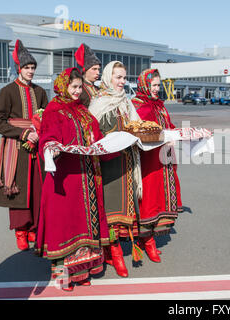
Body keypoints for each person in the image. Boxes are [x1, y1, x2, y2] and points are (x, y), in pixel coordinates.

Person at [35, 67, 110, 291]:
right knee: (65, 227)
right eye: (74, 87)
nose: (78, 91)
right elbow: (48, 136)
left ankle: (82, 271)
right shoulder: (54, 110)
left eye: (79, 87)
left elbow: (96, 136)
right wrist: (51, 147)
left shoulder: (83, 111)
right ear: (62, 86)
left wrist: (111, 142)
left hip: (86, 177)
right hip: (65, 179)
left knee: (85, 224)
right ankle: (63, 275)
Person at [89, 61, 143, 277]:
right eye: (118, 77)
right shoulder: (98, 102)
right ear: (108, 77)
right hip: (108, 164)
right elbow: (92, 135)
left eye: (124, 78)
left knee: (126, 207)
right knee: (110, 209)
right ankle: (114, 251)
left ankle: (114, 249)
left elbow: (137, 126)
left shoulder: (127, 102)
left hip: (127, 162)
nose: (122, 82)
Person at [0, 39, 48, 251]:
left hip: (37, 148)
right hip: (16, 149)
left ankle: (34, 228)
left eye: (33, 67)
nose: (30, 71)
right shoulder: (7, 91)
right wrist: (24, 133)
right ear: (19, 68)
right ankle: (20, 231)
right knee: (19, 190)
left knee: (38, 189)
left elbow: (47, 116)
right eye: (27, 67)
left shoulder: (40, 91)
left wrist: (41, 132)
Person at [131, 69, 182, 263]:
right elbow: (137, 130)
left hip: (164, 157)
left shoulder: (159, 105)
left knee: (162, 197)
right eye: (153, 85)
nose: (156, 89)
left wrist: (180, 134)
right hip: (149, 160)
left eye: (158, 85)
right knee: (150, 200)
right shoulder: (138, 105)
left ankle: (149, 238)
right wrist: (161, 137)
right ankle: (147, 239)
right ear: (144, 84)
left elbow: (168, 126)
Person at [74, 43, 101, 107]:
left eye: (98, 69)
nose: (98, 72)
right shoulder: (79, 90)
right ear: (85, 70)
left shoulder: (98, 89)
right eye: (94, 69)